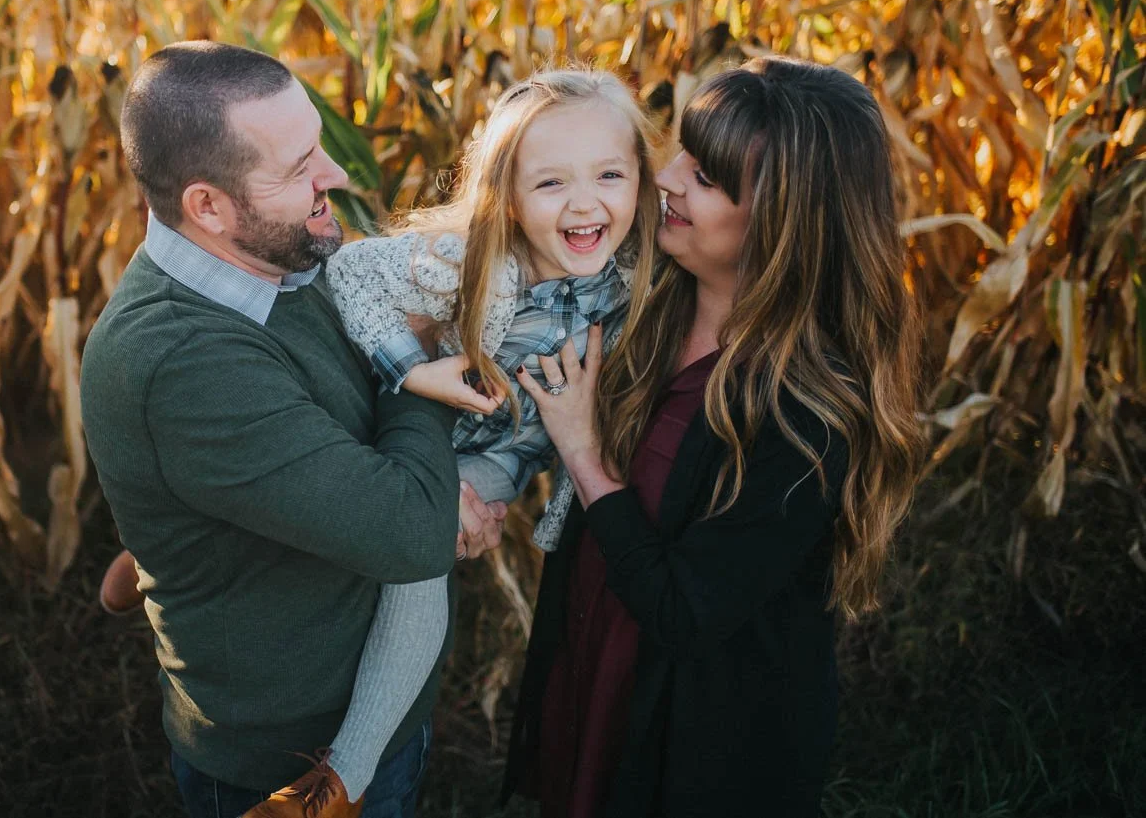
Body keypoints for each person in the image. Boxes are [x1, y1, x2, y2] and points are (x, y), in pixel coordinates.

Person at [79, 41, 501, 818]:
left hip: (372, 704)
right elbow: (412, 532)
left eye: (320, 147)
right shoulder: (181, 362)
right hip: (290, 768)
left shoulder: (275, 256)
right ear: (207, 206)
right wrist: (415, 360)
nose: (333, 175)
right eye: (298, 167)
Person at [504, 57, 925, 817]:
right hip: (593, 658)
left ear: (780, 219)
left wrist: (584, 454)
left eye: (703, 177)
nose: (665, 177)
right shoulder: (638, 296)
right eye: (681, 154)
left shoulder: (806, 415)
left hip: (694, 734)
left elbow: (685, 611)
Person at [258, 69, 657, 808]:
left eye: (610, 174)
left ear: (642, 178)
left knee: (415, 557)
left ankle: (340, 780)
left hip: (494, 460)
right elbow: (351, 273)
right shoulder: (474, 260)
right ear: (508, 195)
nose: (585, 203)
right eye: (551, 183)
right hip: (391, 430)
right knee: (305, 525)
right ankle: (152, 561)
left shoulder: (638, 282)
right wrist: (414, 371)